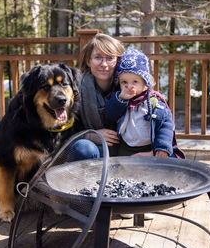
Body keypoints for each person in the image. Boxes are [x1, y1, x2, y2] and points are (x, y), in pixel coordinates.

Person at [105, 48, 178, 220]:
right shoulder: (118, 99)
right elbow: (109, 115)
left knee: (147, 176)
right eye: (124, 82)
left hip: (147, 146)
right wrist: (120, 99)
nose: (129, 86)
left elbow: (166, 125)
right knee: (125, 176)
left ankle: (147, 204)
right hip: (125, 146)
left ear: (145, 83)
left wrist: (162, 148)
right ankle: (126, 204)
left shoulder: (154, 102)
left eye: (134, 82)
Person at [74, 33, 126, 156]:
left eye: (110, 58)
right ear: (88, 61)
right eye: (98, 57)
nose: (104, 64)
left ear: (118, 60)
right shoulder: (76, 90)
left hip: (125, 149)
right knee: (84, 148)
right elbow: (66, 132)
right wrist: (90, 136)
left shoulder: (129, 86)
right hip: (91, 150)